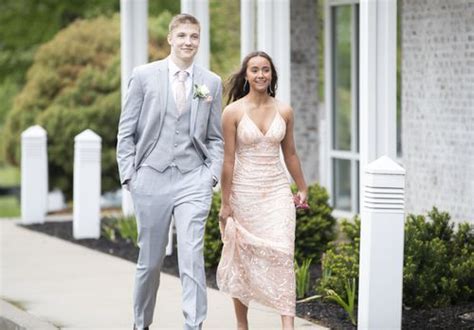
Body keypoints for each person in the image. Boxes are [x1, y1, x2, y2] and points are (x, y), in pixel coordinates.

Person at [116, 13, 223, 330]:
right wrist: (130, 177)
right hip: (151, 177)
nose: (188, 42)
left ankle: (194, 325)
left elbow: (215, 136)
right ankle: (141, 323)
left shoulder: (209, 82)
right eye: (182, 36)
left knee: (192, 257)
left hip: (193, 179)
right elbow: (126, 133)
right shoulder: (144, 76)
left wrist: (211, 175)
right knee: (150, 262)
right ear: (170, 39)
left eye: (194, 36)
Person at [216, 51, 308, 330]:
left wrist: (302, 187)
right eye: (254, 69)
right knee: (241, 259)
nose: (260, 75)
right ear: (246, 75)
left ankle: (287, 325)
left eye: (265, 70)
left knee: (283, 253)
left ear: (272, 75)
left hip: (277, 191)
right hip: (244, 193)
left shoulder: (284, 110)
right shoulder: (232, 112)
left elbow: (290, 154)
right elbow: (228, 160)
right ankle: (242, 324)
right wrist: (225, 202)